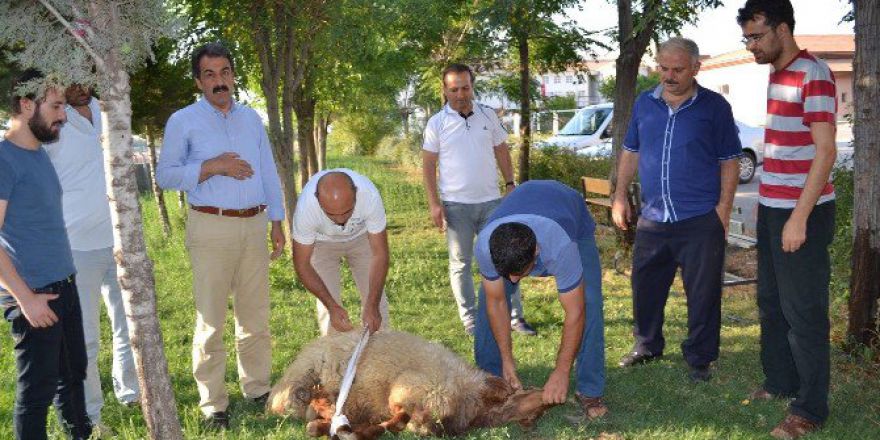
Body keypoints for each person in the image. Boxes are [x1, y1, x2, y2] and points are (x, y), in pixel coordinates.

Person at [156, 42, 286, 430]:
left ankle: (258, 388)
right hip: (210, 226)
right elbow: (165, 176)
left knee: (255, 316)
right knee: (210, 321)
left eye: (225, 72)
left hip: (253, 224)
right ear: (198, 81)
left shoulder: (251, 120)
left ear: (233, 75)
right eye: (209, 75)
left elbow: (267, 171)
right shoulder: (183, 121)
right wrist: (212, 166)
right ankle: (213, 404)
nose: (219, 81)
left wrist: (277, 222)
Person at [612, 37, 742, 382]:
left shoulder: (715, 107)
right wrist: (620, 196)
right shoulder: (644, 103)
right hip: (653, 218)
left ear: (696, 69)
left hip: (699, 218)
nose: (669, 76)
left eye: (678, 70)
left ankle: (700, 357)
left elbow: (730, 161)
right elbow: (631, 151)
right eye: (663, 68)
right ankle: (647, 345)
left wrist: (723, 211)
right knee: (646, 286)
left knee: (703, 293)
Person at [737, 2, 837, 438]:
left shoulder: (813, 74)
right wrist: (769, 204)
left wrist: (798, 216)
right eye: (747, 38)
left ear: (781, 28)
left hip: (805, 213)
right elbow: (782, 150)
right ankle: (780, 382)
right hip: (775, 209)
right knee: (772, 303)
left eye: (757, 36)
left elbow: (825, 151)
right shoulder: (778, 72)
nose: (751, 46)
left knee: (805, 313)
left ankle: (810, 410)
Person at [0, 69, 92, 440]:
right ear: (26, 104)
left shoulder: (38, 154)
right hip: (33, 295)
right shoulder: (4, 158)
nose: (63, 115)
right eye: (55, 106)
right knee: (36, 394)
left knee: (73, 380)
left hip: (63, 286)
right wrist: (26, 299)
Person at [44, 84, 140, 433]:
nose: (79, 88)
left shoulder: (110, 110)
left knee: (130, 326)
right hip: (73, 246)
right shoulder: (53, 119)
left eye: (85, 77)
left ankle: (131, 392)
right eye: (71, 79)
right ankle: (90, 415)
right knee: (83, 336)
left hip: (121, 241)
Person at [473, 180, 608, 419]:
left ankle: (589, 390)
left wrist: (561, 371)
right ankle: (492, 382)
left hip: (570, 217)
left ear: (536, 252)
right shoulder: (486, 245)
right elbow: (497, 303)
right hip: (525, 212)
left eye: (520, 273)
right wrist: (507, 358)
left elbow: (575, 313)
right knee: (487, 300)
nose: (513, 281)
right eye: (508, 274)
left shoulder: (561, 247)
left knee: (590, 301)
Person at [422, 63, 535, 337]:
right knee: (460, 263)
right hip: (455, 205)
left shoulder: (487, 116)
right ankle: (470, 319)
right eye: (454, 89)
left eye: (465, 87)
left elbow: (501, 150)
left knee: (504, 258)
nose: (461, 94)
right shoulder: (436, 123)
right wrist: (434, 203)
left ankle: (514, 316)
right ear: (445, 90)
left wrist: (510, 184)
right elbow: (428, 166)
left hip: (491, 202)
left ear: (472, 86)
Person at [292, 169, 390, 335]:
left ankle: (380, 355)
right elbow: (302, 264)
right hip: (323, 243)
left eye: (347, 212)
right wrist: (331, 305)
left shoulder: (370, 196)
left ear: (356, 195)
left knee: (377, 308)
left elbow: (380, 253)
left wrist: (372, 305)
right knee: (331, 317)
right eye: (331, 214)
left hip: (361, 237)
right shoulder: (306, 208)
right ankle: (335, 357)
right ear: (317, 200)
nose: (340, 221)